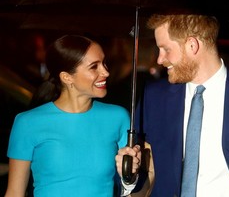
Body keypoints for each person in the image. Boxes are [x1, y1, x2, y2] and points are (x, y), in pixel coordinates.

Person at [120, 13, 229, 196]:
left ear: (192, 45)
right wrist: (129, 176)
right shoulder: (153, 97)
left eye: (165, 49)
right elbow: (139, 172)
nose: (160, 59)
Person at [4, 35, 141, 197]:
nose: (106, 72)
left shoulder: (118, 117)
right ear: (67, 77)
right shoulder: (27, 122)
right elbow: (14, 192)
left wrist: (132, 174)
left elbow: (135, 189)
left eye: (104, 63)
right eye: (94, 67)